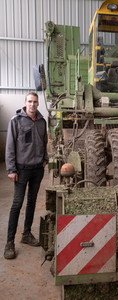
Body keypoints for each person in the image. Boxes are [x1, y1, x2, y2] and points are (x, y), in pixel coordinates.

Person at [4, 92, 48, 259]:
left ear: (38, 104)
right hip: (21, 170)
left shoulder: (42, 121)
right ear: (25, 103)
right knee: (17, 204)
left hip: (37, 169)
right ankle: (9, 243)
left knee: (32, 202)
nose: (32, 104)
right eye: (29, 101)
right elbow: (10, 146)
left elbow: (45, 141)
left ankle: (26, 234)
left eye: (35, 102)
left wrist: (45, 159)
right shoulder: (16, 121)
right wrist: (11, 169)